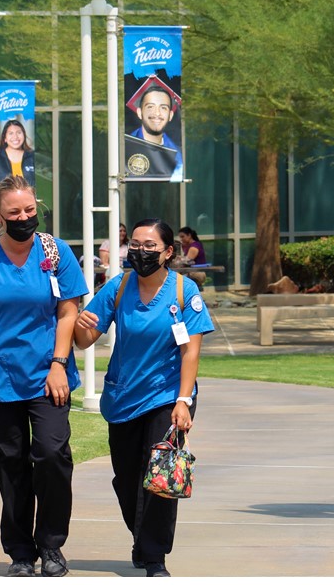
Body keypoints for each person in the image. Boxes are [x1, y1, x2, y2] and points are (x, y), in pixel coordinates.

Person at [0, 175, 89, 577]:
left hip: (48, 376)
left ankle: (52, 546)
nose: (24, 217)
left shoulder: (56, 252)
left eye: (30, 210)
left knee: (52, 454)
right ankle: (21, 552)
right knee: (10, 463)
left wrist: (59, 364)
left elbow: (68, 310)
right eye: (14, 212)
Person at [73, 219, 214, 578]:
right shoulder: (118, 287)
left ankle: (155, 557)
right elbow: (85, 339)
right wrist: (79, 322)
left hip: (168, 396)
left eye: (150, 245)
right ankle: (142, 538)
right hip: (123, 396)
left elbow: (190, 353)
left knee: (160, 477)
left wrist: (183, 399)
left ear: (168, 252)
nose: (140, 251)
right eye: (135, 244)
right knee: (126, 480)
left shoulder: (184, 292)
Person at [130, 86, 184, 172]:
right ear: (140, 113)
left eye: (163, 108)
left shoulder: (177, 156)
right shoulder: (127, 145)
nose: (157, 113)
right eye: (150, 107)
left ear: (170, 116)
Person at [0, 119, 37, 189]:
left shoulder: (32, 157)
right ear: (5, 138)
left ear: (24, 135)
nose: (15, 137)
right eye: (11, 133)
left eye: (19, 133)